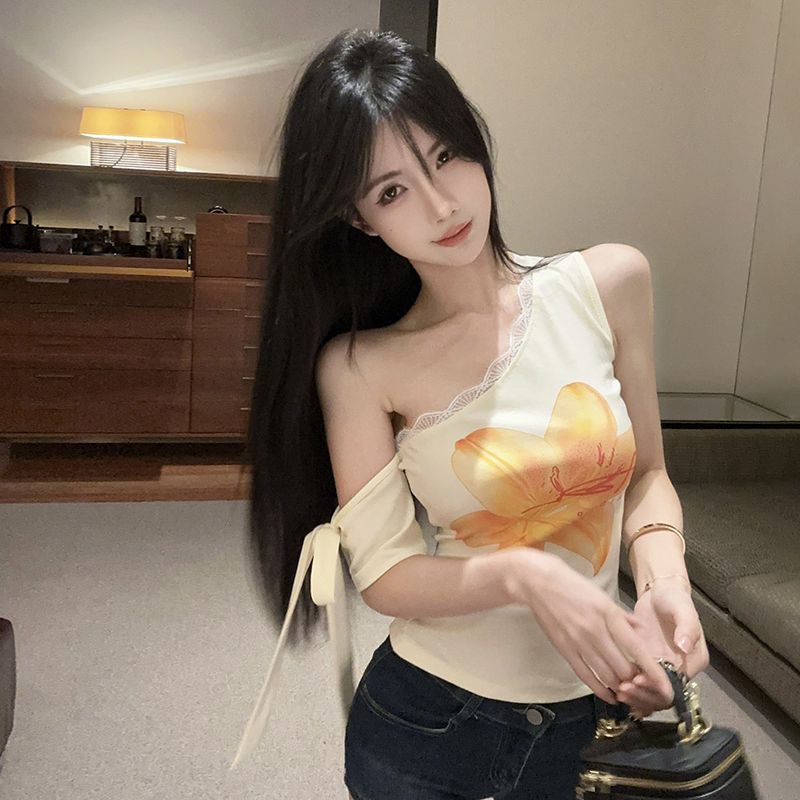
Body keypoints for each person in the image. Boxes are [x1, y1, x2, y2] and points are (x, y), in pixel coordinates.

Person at [233, 27, 710, 799]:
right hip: (429, 726)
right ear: (360, 220)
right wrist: (524, 575)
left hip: (592, 713)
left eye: (445, 156)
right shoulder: (359, 367)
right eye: (391, 191)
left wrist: (665, 581)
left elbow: (649, 474)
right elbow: (385, 574)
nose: (442, 203)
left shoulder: (609, 284)